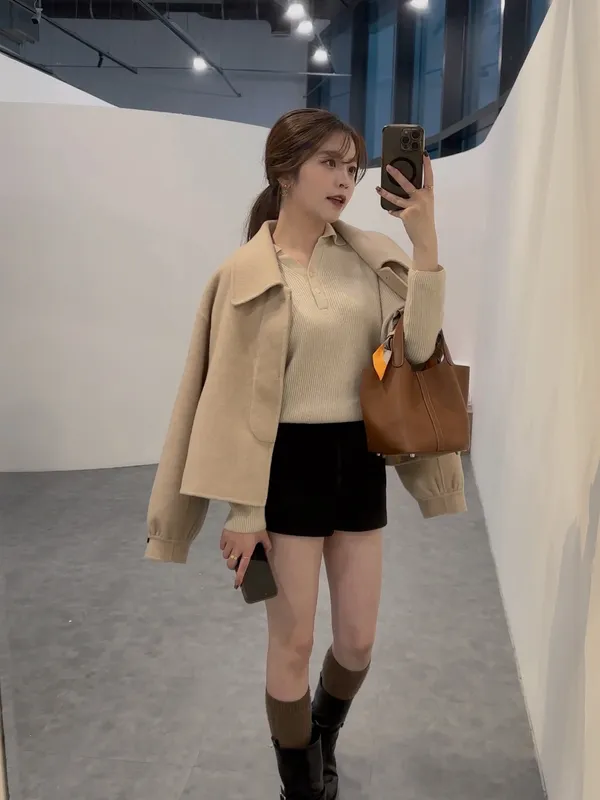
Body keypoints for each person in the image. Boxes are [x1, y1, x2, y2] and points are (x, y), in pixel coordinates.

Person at [145, 108, 466, 799]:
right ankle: (301, 782)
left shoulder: (369, 257)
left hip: (358, 461)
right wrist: (244, 513)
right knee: (290, 644)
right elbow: (228, 403)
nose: (345, 179)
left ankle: (320, 733)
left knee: (357, 641)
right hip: (284, 470)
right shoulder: (245, 274)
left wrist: (425, 242)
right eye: (329, 163)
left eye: (353, 167)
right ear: (284, 172)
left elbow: (417, 351)